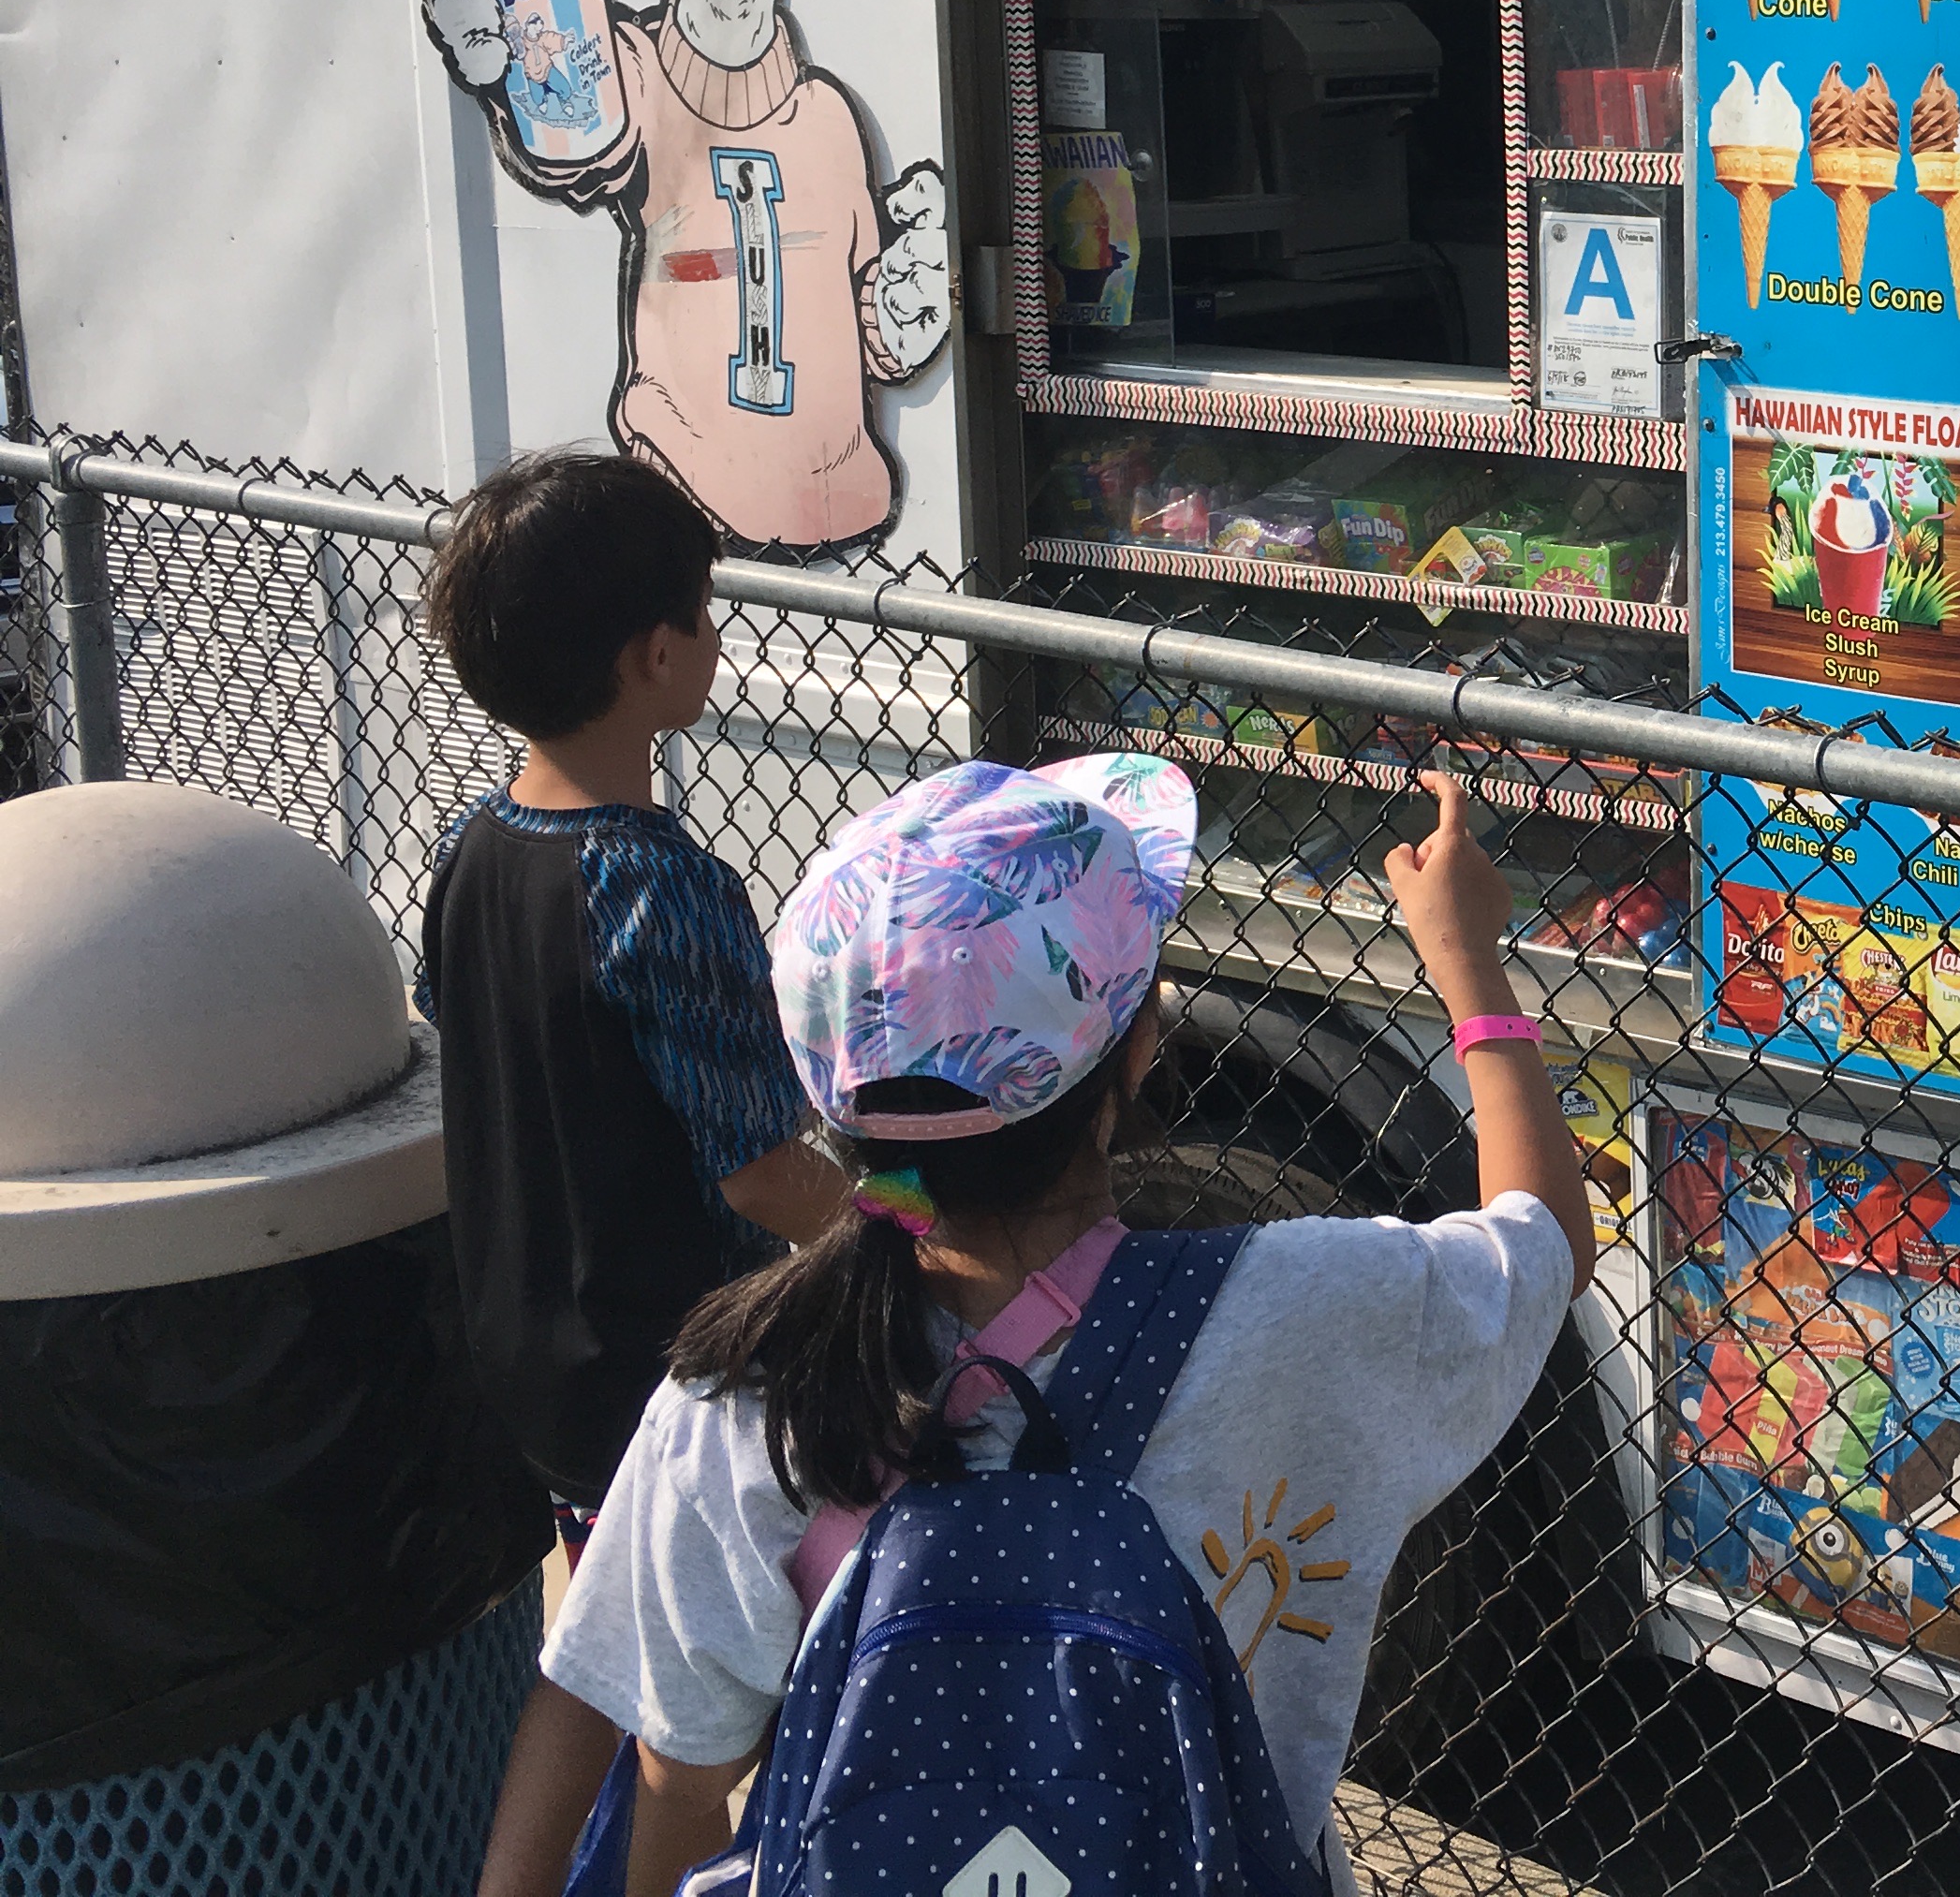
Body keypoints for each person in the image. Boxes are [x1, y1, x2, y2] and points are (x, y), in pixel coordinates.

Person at [473, 756, 1590, 1897]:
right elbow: (1543, 1244)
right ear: (1141, 1049)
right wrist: (1470, 966)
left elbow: (678, 1774)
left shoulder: (742, 1397)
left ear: (832, 1094)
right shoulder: (1306, 1309)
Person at [416, 446, 848, 1535]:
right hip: (671, 1380)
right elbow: (760, 1177)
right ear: (656, 655)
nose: (712, 637)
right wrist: (916, 1232)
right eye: (703, 617)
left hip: (527, 1358)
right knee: (711, 1681)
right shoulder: (660, 886)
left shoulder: (476, 845)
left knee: (614, 1642)